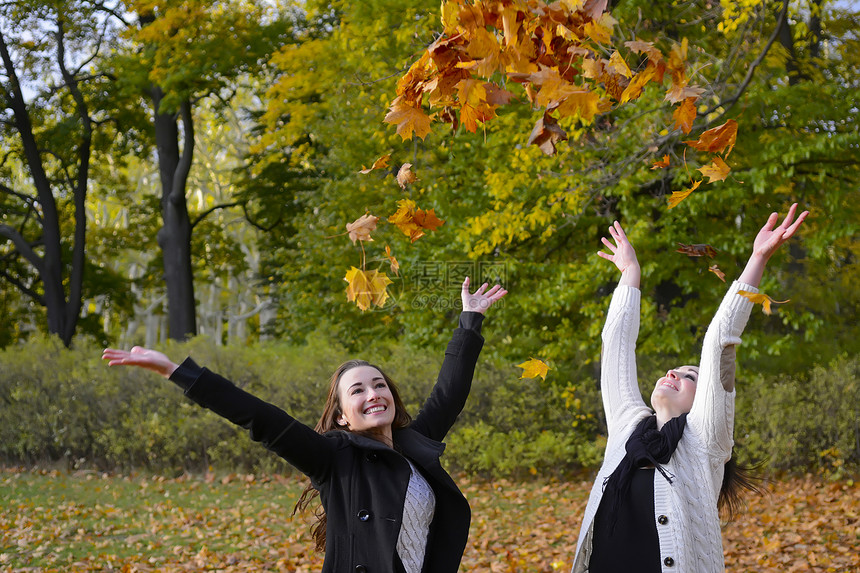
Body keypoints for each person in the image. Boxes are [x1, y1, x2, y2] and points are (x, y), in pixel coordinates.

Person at [102, 277, 507, 573]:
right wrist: (176, 371)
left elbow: (449, 394)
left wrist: (470, 320)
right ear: (341, 416)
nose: (373, 394)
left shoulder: (414, 444)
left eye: (379, 385)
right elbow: (261, 418)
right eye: (359, 390)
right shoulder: (333, 457)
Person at [572, 204, 808, 573]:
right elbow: (615, 345)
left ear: (706, 399)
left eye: (691, 376)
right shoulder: (626, 426)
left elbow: (719, 341)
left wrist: (757, 259)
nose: (675, 372)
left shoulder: (706, 442)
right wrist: (630, 274)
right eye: (676, 369)